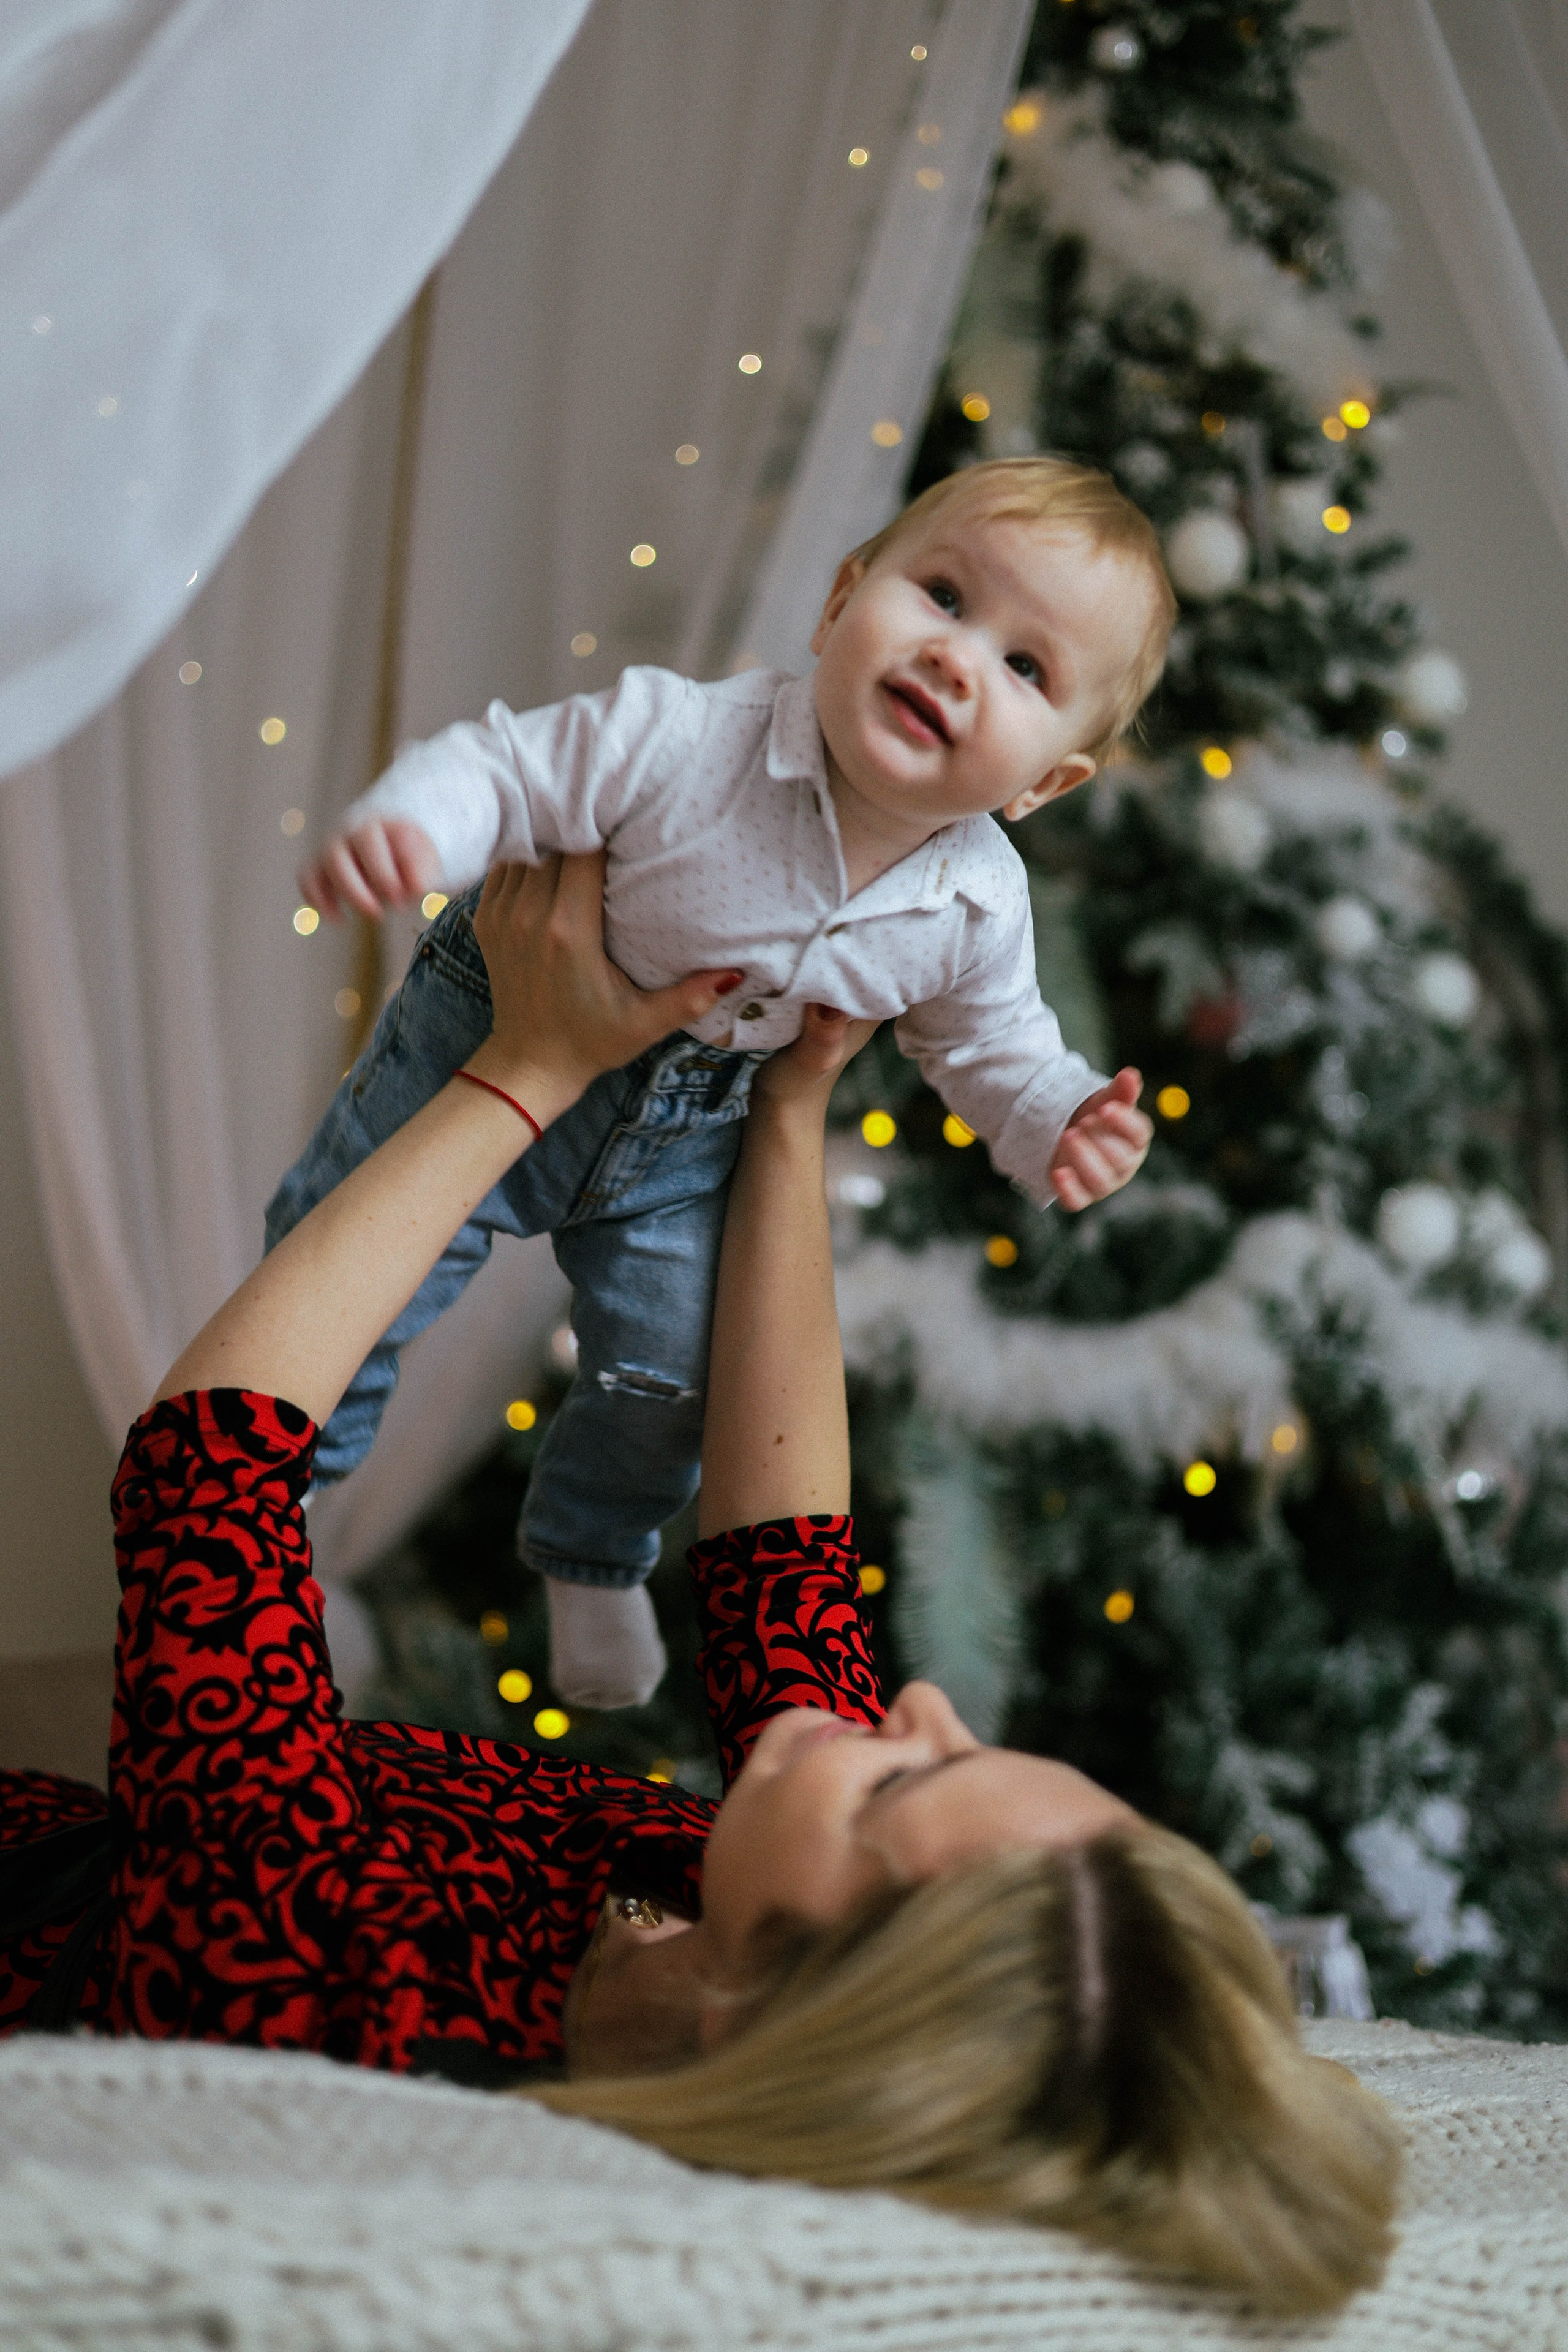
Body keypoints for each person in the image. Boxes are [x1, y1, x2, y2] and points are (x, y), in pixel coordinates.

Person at [1, 853, 1398, 2313]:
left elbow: (205, 1471)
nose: (915, 1706)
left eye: (898, 1788)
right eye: (965, 1743)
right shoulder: (706, 1895)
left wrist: (518, 1073)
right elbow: (779, 1559)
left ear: (779, 2012)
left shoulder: (330, 1986)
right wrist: (790, 1113)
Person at [270, 457, 1167, 1710]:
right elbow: (509, 767)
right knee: (349, 1268)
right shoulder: (689, 736)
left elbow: (990, 1047)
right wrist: (419, 828)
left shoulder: (973, 901)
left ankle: (591, 1557)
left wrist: (1058, 1121)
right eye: (943, 597)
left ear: (1043, 783)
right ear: (839, 604)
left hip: (694, 1131)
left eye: (1027, 669)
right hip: (485, 1029)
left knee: (675, 1373)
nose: (960, 659)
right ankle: (276, 1512)